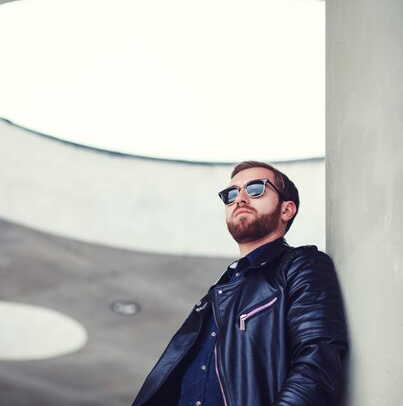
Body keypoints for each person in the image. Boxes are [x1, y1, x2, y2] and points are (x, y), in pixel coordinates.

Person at [131, 161, 348, 406]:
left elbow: (318, 361)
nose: (240, 199)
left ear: (287, 210)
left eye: (256, 189)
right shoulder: (220, 290)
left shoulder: (301, 265)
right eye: (231, 194)